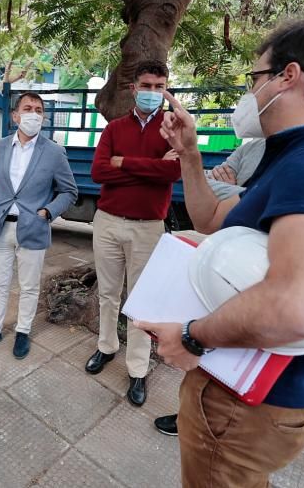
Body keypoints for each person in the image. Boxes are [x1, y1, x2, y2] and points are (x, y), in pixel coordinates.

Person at [137, 13, 304, 486]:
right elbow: (212, 219)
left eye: (255, 78)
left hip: (250, 399)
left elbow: (301, 308)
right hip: (243, 383)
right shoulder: (296, 157)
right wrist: (189, 154)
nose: (250, 93)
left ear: (288, 76)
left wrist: (191, 336)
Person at [84, 60, 181, 407]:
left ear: (166, 88)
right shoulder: (114, 129)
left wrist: (123, 163)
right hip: (108, 221)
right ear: (133, 88)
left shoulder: (172, 128)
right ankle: (106, 347)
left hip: (147, 227)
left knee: (141, 301)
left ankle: (138, 369)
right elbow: (98, 172)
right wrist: (150, 169)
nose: (152, 92)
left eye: (159, 86)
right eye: (147, 86)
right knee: (108, 294)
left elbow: (172, 173)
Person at [154, 137, 265, 437]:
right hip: (224, 265)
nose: (251, 97)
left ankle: (215, 428)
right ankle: (189, 417)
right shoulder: (253, 147)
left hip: (255, 283)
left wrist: (239, 194)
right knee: (207, 363)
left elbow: (228, 203)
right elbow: (209, 210)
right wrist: (241, 194)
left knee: (237, 361)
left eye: (254, 87)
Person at [0, 92, 78, 359]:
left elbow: (69, 191)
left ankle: (23, 331)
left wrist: (47, 212)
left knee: (29, 286)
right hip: (0, 226)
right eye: (28, 108)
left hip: (34, 227)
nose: (34, 114)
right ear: (15, 116)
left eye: (39, 110)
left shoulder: (53, 152)